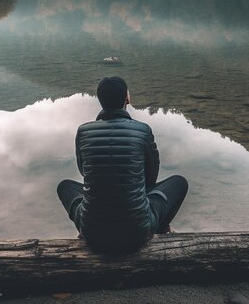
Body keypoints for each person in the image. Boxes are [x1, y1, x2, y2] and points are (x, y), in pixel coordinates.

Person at [57, 76, 188, 253]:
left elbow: (85, 173)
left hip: (92, 231)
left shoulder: (83, 132)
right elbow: (150, 179)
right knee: (179, 182)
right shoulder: (142, 130)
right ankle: (159, 229)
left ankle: (85, 231)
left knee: (65, 186)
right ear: (127, 99)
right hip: (138, 231)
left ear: (100, 100)